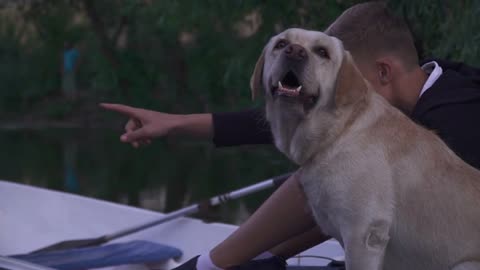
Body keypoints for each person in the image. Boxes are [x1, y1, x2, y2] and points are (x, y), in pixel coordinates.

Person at [101, 2, 480, 269]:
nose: (337, 97)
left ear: (383, 72)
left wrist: (217, 262)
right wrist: (175, 123)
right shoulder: (431, 83)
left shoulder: (458, 122)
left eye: (345, 83)